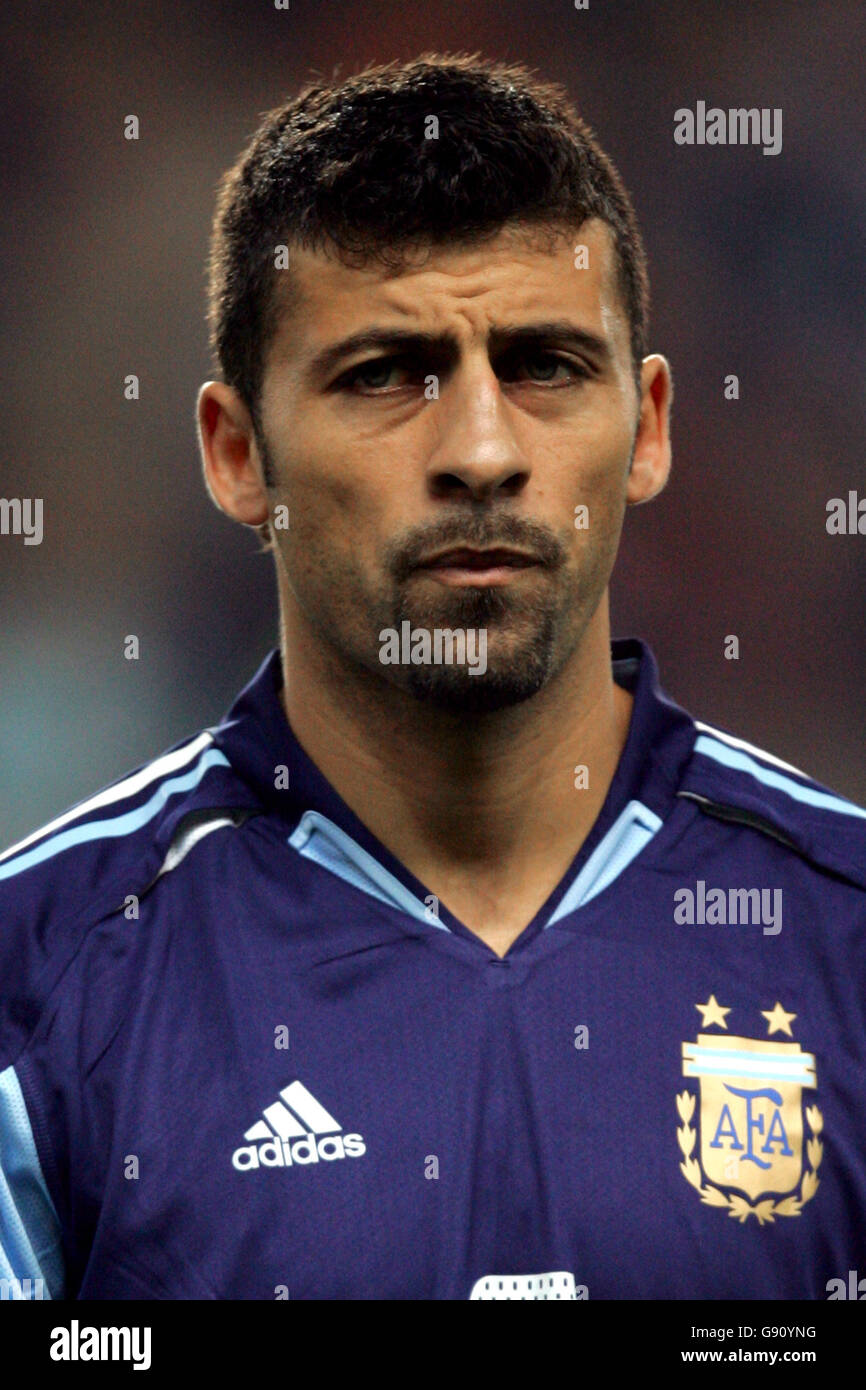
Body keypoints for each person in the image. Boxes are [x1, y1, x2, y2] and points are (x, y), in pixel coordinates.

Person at [1, 53, 864, 1302]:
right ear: (238, 454)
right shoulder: (41, 985)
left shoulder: (839, 932)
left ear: (650, 426)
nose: (479, 450)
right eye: (384, 374)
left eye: (545, 366)